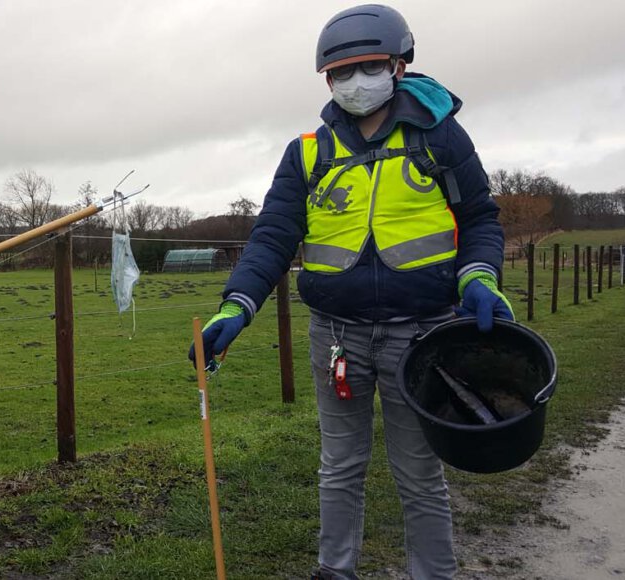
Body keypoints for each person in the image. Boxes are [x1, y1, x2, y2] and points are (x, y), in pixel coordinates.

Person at [191, 4, 513, 579]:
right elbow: (270, 238)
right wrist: (236, 306)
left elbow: (482, 220)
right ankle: (334, 571)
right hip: (336, 338)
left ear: (397, 64)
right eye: (341, 73)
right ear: (327, 80)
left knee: (418, 470)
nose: (355, 83)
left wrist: (479, 276)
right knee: (339, 466)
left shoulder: (439, 137)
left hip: (423, 336)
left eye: (368, 68)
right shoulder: (308, 152)